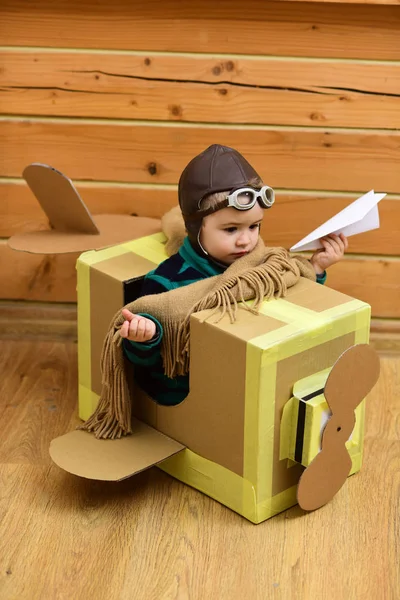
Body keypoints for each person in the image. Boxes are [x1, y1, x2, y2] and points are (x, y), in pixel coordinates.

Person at [120, 144, 348, 405]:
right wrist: (145, 337)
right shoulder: (167, 282)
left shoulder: (262, 265)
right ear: (195, 228)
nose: (245, 240)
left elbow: (287, 292)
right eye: (230, 229)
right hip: (189, 394)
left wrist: (315, 268)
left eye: (254, 226)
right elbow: (144, 361)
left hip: (246, 378)